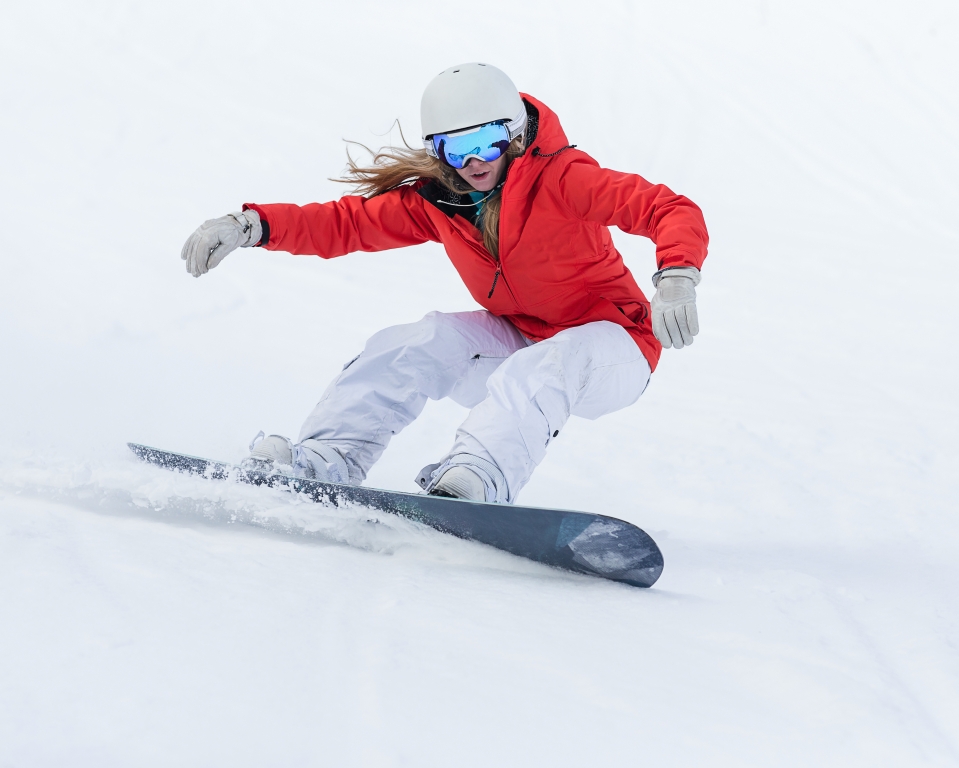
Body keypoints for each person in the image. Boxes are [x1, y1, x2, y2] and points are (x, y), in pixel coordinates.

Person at [180, 62, 708, 504]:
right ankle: (325, 460)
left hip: (615, 348)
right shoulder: (442, 202)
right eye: (455, 148)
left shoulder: (564, 180)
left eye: (485, 141)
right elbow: (348, 223)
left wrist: (677, 277)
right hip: (523, 335)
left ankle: (476, 480)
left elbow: (667, 207)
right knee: (418, 341)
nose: (474, 161)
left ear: (514, 133)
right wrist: (254, 224)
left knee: (546, 364)